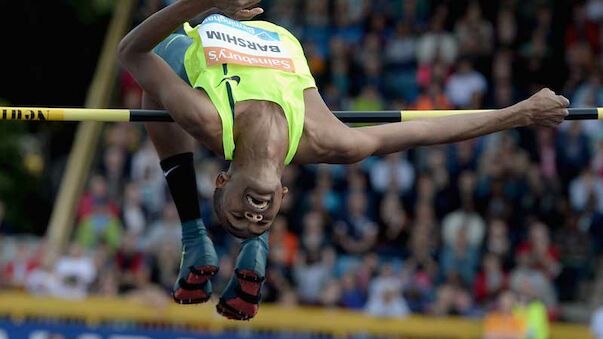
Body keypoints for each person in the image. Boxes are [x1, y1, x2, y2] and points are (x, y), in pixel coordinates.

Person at [118, 0, 570, 320]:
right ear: (284, 195)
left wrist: (200, 5)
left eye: (240, 215)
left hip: (214, 28)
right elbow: (426, 130)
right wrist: (520, 113)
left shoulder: (208, 120)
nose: (253, 213)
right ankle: (242, 246)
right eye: (260, 220)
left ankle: (194, 232)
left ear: (220, 180)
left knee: (157, 68)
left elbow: (131, 51)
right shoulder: (328, 141)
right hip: (271, 41)